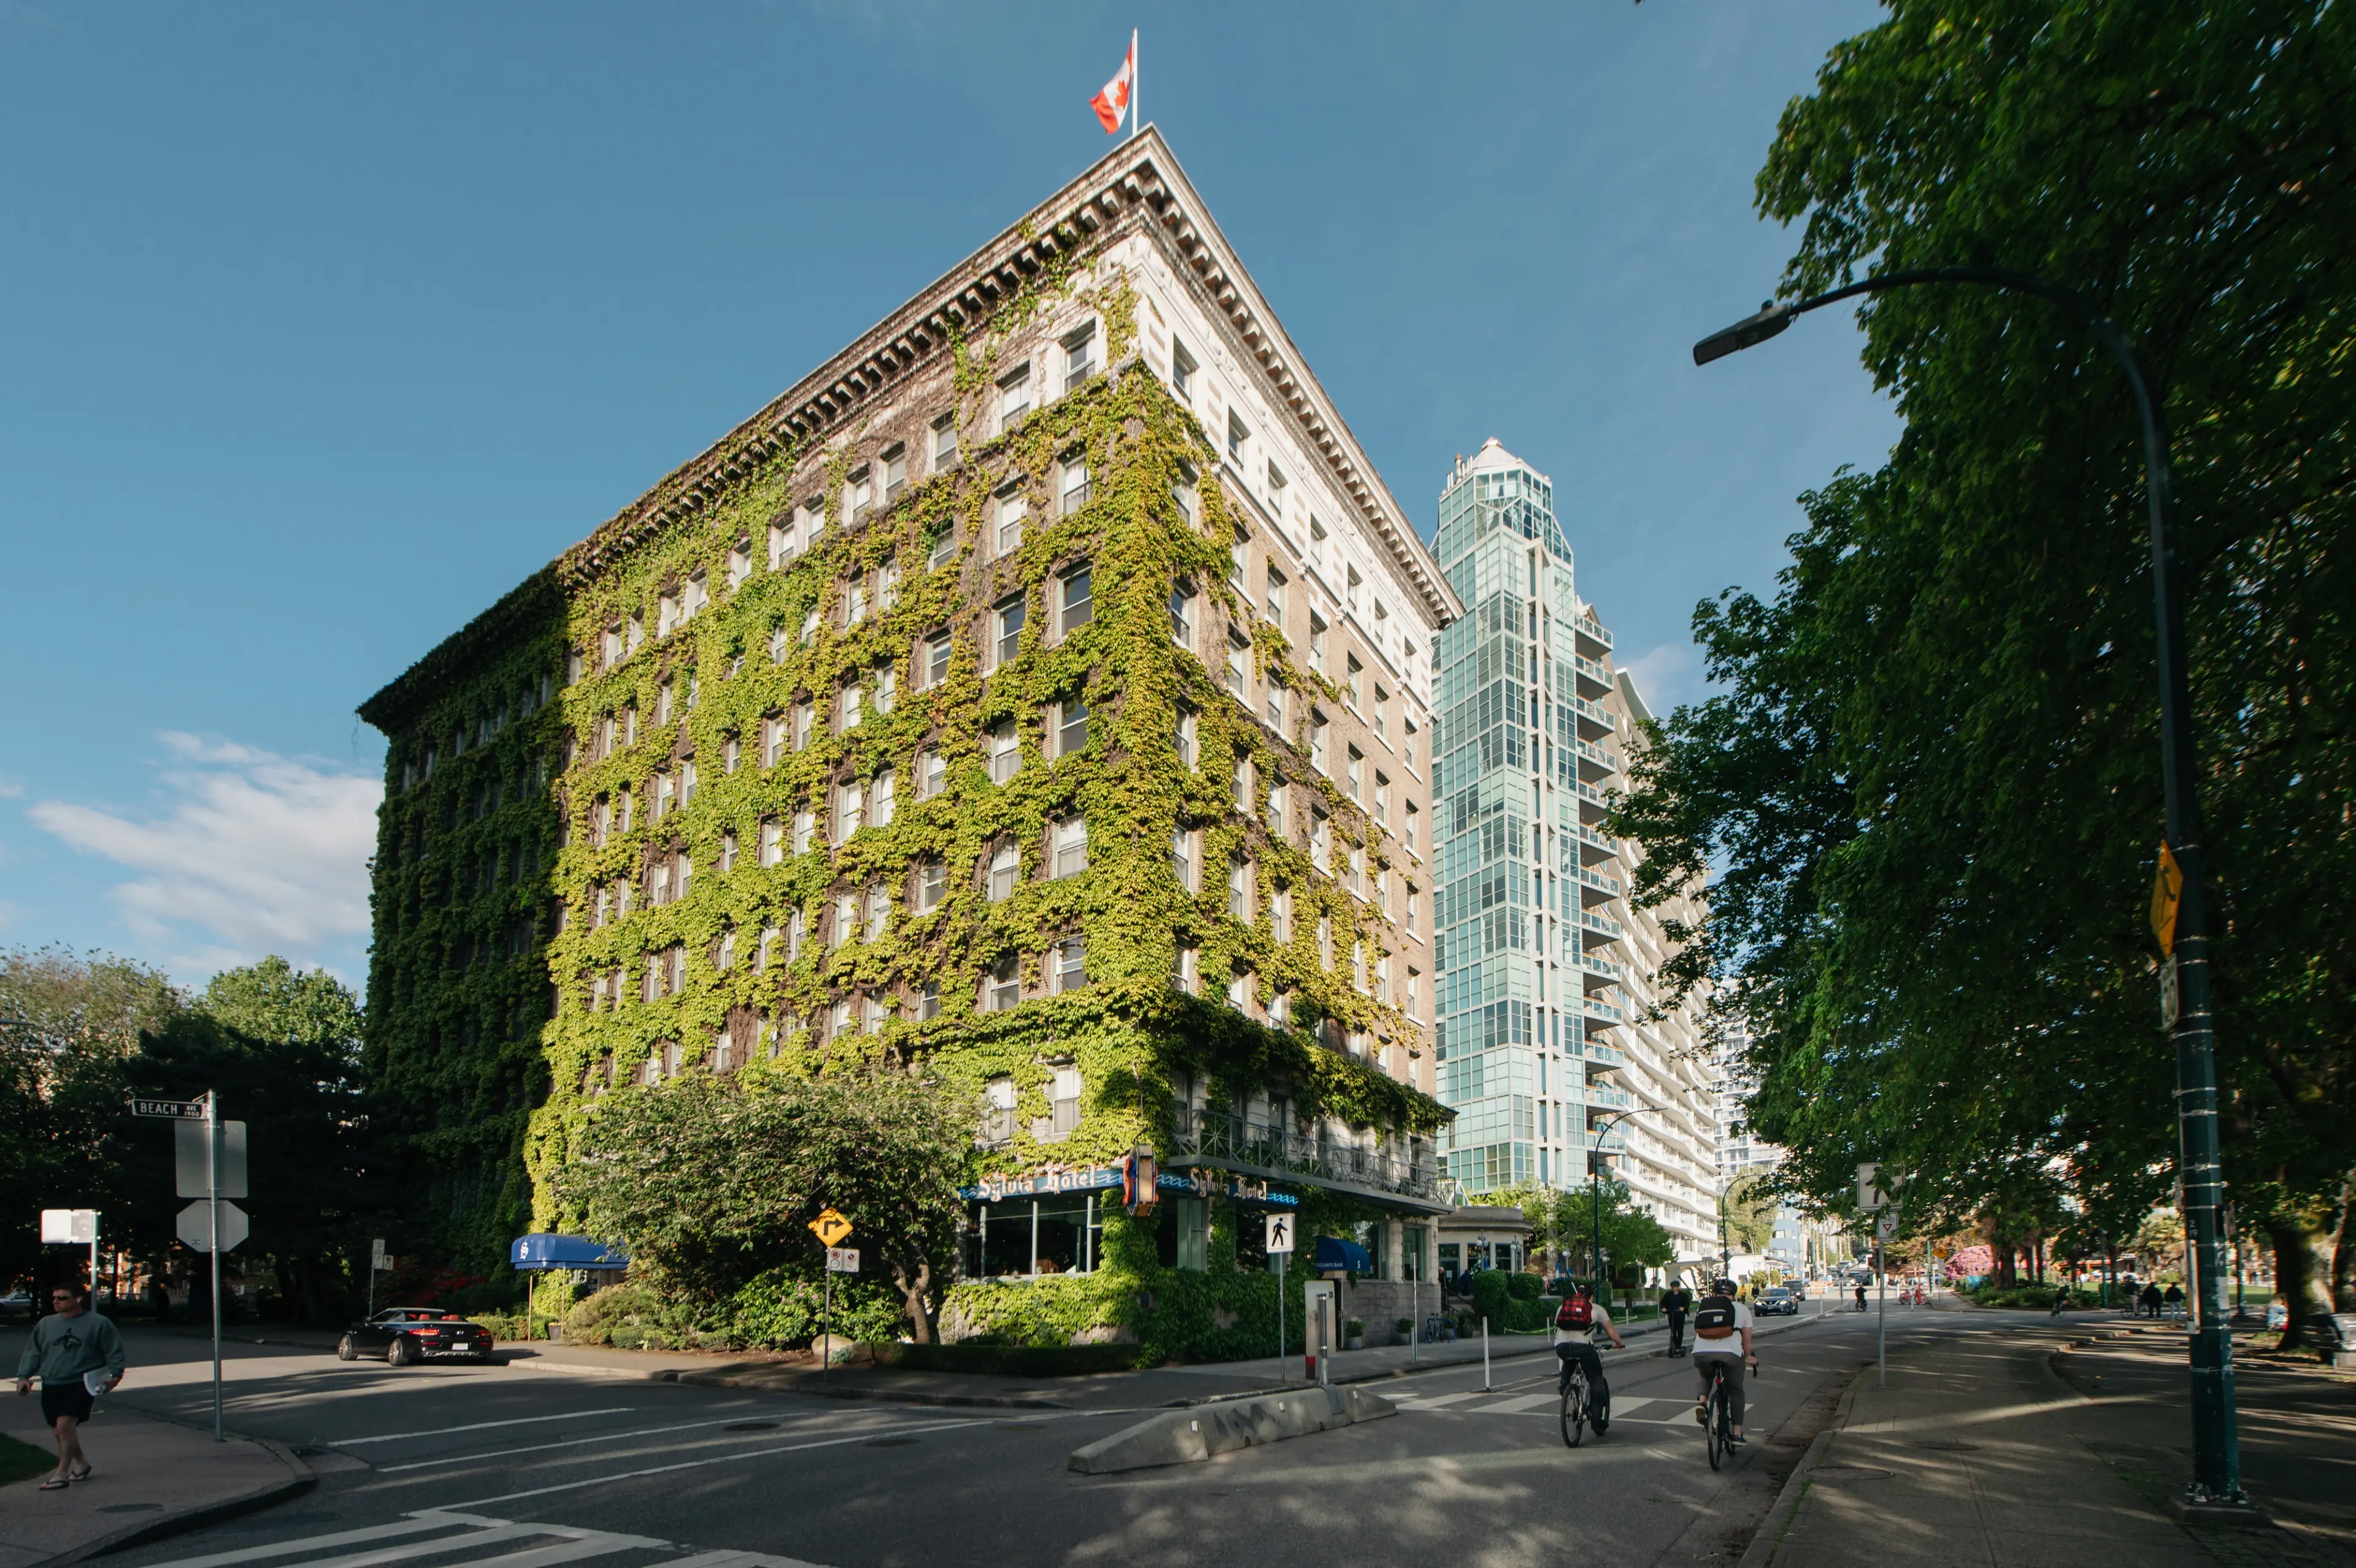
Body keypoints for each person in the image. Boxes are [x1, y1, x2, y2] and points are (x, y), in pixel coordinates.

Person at [13, 1283, 126, 1490]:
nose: (56, 1301)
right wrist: (24, 1377)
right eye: (55, 1298)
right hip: (52, 1382)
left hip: (81, 1382)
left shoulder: (98, 1323)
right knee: (60, 1431)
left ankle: (61, 1473)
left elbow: (114, 1350)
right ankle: (81, 1463)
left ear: (78, 1299)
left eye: (62, 1298)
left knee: (65, 1425)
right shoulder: (46, 1324)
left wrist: (116, 1375)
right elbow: (34, 1352)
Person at [1691, 1277, 1758, 1446]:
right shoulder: (1741, 1309)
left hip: (1701, 1352)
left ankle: (1703, 1402)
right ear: (1733, 1296)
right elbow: (1747, 1341)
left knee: (1705, 1375)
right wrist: (1748, 1356)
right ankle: (1736, 1434)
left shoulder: (1704, 1306)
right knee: (1736, 1390)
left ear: (1714, 1294)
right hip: (1730, 1355)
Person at [1552, 1283, 1625, 1432]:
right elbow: (1611, 1332)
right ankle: (1597, 1422)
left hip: (1561, 1347)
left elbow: (1557, 1325)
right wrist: (1619, 1343)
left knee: (1569, 1359)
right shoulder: (1597, 1309)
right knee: (1596, 1380)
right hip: (1584, 1347)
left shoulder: (1563, 1307)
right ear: (1591, 1297)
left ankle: (1565, 1386)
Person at [1662, 1282, 1694, 1355]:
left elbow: (1687, 1303)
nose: (1673, 1288)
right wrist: (1664, 1308)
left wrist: (1683, 1307)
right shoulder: (1668, 1295)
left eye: (1675, 1287)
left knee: (1680, 1331)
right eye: (1672, 1287)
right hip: (1672, 1314)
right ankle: (1675, 1345)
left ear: (1677, 1288)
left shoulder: (1683, 1295)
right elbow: (1663, 1302)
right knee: (1673, 1331)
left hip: (1680, 1315)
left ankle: (1679, 1346)